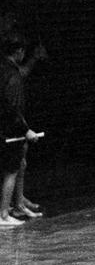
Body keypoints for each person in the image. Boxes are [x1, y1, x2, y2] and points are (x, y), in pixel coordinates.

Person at [1, 34, 41, 226]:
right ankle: (3, 214)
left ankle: (17, 204)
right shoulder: (12, 76)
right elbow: (12, 106)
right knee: (12, 170)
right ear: (18, 52)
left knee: (19, 165)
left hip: (8, 128)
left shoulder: (4, 70)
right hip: (11, 130)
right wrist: (24, 130)